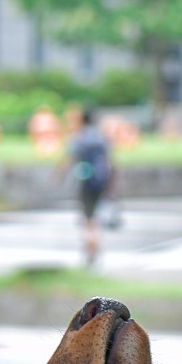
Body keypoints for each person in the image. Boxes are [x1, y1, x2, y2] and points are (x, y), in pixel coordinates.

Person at [69, 109, 115, 267]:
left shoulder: (79, 137)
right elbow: (110, 162)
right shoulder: (101, 137)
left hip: (85, 181)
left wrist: (57, 178)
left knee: (88, 219)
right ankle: (96, 251)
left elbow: (70, 159)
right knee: (96, 218)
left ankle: (90, 251)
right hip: (101, 182)